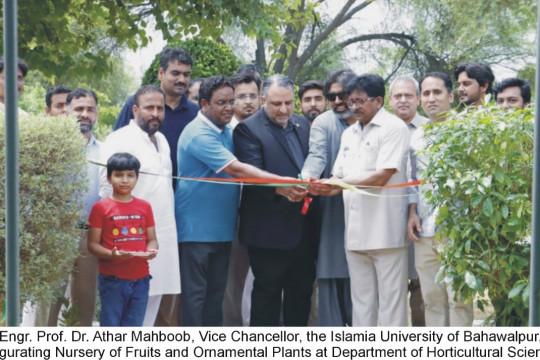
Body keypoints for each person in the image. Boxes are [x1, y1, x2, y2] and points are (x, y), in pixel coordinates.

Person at [176, 76, 289, 326]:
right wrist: (282, 182)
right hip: (196, 232)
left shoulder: (226, 129)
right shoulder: (198, 134)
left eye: (231, 100)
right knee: (196, 298)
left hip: (222, 230)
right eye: (221, 102)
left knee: (215, 296)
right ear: (204, 104)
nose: (229, 107)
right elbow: (237, 169)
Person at [327, 74, 410, 326]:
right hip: (354, 233)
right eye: (351, 102)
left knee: (391, 305)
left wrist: (337, 183)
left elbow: (382, 176)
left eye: (360, 101)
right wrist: (320, 187)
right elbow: (337, 178)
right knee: (361, 303)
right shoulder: (350, 133)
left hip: (386, 232)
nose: (354, 107)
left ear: (378, 100)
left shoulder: (394, 128)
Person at [234, 74, 317, 326]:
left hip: (305, 229)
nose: (283, 110)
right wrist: (282, 189)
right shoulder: (248, 129)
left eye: (288, 103)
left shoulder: (303, 124)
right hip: (268, 231)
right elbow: (252, 175)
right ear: (262, 100)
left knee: (300, 295)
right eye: (276, 104)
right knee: (267, 298)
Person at [100, 85, 180, 326]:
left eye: (160, 108)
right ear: (135, 109)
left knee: (153, 299)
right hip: (129, 237)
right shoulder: (119, 139)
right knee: (123, 311)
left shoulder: (163, 141)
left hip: (161, 234)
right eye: (149, 108)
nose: (155, 113)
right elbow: (106, 191)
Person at [407, 72, 474, 326]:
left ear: (450, 95)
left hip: (458, 229)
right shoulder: (417, 135)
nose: (431, 98)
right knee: (432, 298)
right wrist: (412, 212)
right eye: (426, 93)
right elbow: (412, 179)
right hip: (425, 229)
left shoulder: (466, 129)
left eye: (437, 92)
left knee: (459, 298)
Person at [301, 68, 356, 326]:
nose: (337, 102)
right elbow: (317, 155)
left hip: (368, 211)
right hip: (333, 211)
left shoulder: (370, 119)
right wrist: (308, 176)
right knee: (331, 273)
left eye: (342, 95)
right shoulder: (324, 122)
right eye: (331, 96)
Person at [88, 152, 158, 326]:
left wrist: (151, 251)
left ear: (137, 178)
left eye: (130, 175)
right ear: (109, 178)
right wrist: (113, 255)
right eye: (119, 175)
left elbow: (152, 239)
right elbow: (92, 245)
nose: (125, 180)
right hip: (113, 280)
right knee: (111, 325)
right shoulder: (100, 207)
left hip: (141, 279)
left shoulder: (145, 206)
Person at [114, 46, 198, 190]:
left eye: (186, 74)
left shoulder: (195, 112)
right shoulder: (136, 104)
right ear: (161, 73)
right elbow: (117, 145)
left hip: (184, 194)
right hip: (141, 190)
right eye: (175, 73)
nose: (182, 79)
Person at [222, 72, 262, 326]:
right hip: (229, 217)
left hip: (262, 218)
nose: (247, 102)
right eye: (241, 96)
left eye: (252, 96)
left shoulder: (267, 129)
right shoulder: (224, 132)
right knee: (231, 284)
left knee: (260, 281)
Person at [388, 75, 427, 327]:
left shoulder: (429, 128)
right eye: (397, 96)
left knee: (423, 291)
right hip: (388, 222)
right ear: (390, 100)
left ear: (418, 98)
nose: (403, 100)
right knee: (391, 295)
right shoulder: (381, 128)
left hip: (424, 222)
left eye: (408, 95)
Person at [68, 88, 102, 326]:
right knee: (49, 304)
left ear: (97, 114)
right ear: (68, 113)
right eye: (78, 109)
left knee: (85, 304)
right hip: (56, 233)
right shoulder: (53, 149)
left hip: (90, 235)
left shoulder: (106, 150)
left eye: (90, 109)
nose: (84, 114)